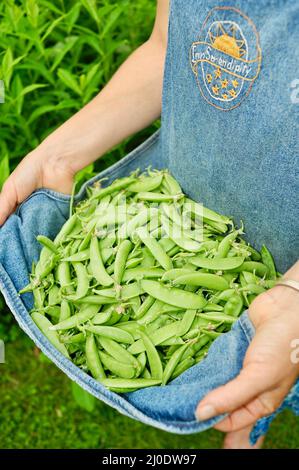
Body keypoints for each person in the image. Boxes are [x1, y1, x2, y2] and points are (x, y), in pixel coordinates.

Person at [0, 0, 298, 449]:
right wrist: (57, 156)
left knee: (266, 357)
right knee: (238, 369)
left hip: (286, 264)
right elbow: (165, 49)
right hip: (182, 202)